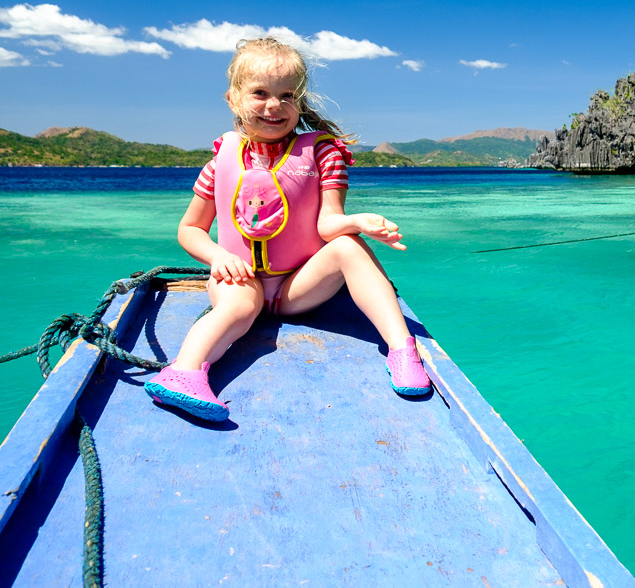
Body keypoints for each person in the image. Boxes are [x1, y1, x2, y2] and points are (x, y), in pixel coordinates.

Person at [145, 38, 429, 422]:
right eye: (259, 93)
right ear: (233, 99)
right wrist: (219, 257)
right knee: (238, 307)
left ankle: (401, 348)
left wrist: (358, 222)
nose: (273, 105)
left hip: (297, 287)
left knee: (349, 246)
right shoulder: (221, 161)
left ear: (299, 100)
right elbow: (191, 229)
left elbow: (328, 223)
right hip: (239, 279)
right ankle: (184, 373)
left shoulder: (323, 154)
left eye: (287, 95)